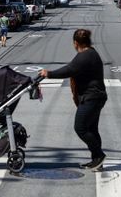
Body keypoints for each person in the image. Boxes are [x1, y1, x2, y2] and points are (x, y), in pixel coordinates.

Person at [39, 29, 107, 171]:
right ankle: (96, 160)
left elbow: (69, 70)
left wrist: (48, 74)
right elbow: (73, 68)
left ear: (76, 43)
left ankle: (99, 155)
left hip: (92, 98)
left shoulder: (85, 56)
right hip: (96, 97)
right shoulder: (90, 53)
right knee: (92, 129)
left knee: (80, 127)